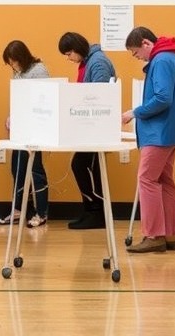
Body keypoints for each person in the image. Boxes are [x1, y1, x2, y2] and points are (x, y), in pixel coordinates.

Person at [121, 27, 175, 253]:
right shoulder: (172, 57)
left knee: (147, 179)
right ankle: (171, 235)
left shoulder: (161, 60)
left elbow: (162, 98)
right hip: (170, 131)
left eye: (135, 53)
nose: (137, 58)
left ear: (145, 43)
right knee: (165, 181)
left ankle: (154, 236)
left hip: (159, 133)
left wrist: (135, 112)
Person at [58, 31, 117, 229]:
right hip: (90, 128)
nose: (69, 59)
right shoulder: (89, 61)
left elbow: (99, 97)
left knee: (84, 166)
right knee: (87, 167)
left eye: (68, 54)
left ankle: (96, 212)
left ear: (76, 49)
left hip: (96, 128)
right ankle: (91, 210)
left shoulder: (98, 62)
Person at [0, 40, 50, 228]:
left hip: (36, 127)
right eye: (10, 63)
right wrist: (12, 116)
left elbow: (44, 100)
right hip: (20, 129)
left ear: (22, 57)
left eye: (14, 61)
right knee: (17, 168)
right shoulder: (17, 72)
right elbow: (19, 98)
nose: (12, 65)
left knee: (35, 169)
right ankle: (19, 209)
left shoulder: (39, 70)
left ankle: (42, 212)